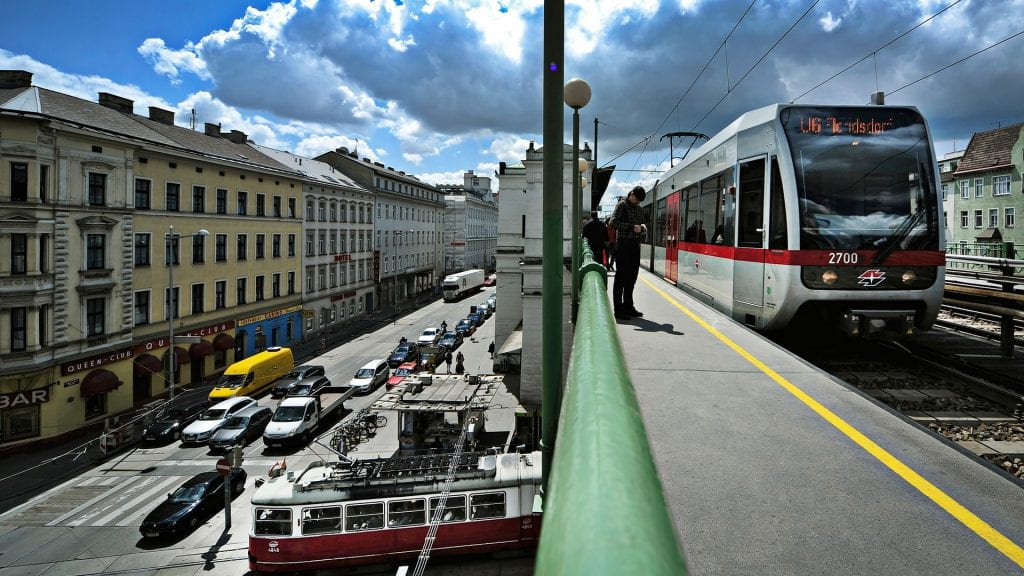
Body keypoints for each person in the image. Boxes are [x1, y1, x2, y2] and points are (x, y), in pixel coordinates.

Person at [608, 186, 647, 321]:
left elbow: (641, 223)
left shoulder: (639, 208)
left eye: (639, 201)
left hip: (635, 246)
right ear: (631, 194)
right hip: (623, 245)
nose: (637, 203)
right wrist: (632, 227)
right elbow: (612, 222)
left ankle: (629, 306)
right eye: (636, 200)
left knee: (632, 278)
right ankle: (619, 310)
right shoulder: (622, 205)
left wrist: (642, 228)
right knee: (621, 279)